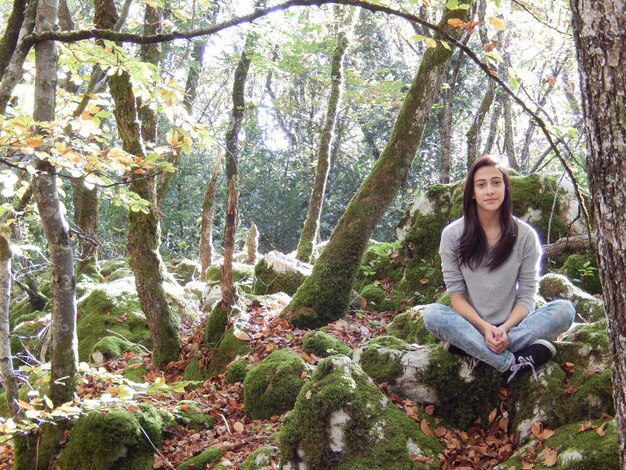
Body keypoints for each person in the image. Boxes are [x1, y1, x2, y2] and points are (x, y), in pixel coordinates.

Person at [423, 156, 575, 382]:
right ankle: (509, 363)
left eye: (496, 183)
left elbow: (526, 296)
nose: (490, 190)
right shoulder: (453, 235)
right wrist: (485, 329)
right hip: (473, 325)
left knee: (565, 310)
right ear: (472, 192)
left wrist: (504, 329)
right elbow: (457, 298)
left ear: (506, 187)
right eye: (481, 184)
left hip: (514, 325)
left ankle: (470, 348)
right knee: (432, 314)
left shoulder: (525, 235)